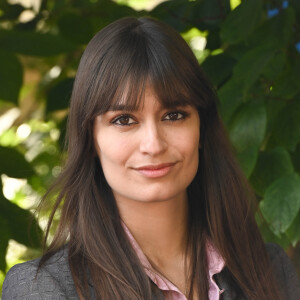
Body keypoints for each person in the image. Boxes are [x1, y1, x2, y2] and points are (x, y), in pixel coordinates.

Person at [2, 16, 300, 300]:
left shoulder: (271, 270)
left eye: (174, 115)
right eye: (124, 120)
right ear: (90, 137)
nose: (153, 144)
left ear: (201, 127)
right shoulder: (43, 289)